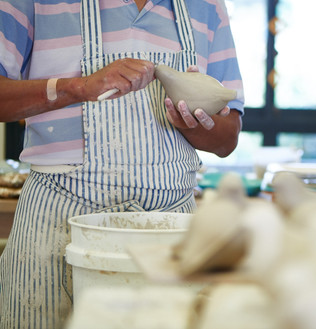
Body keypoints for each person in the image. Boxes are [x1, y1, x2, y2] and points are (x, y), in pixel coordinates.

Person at [0, 0, 244, 328]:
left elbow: (228, 140)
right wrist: (77, 87)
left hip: (170, 233)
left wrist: (196, 125)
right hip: (59, 226)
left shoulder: (207, 6)